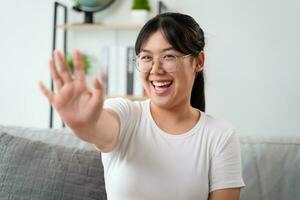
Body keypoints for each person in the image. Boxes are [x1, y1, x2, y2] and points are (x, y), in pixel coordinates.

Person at [39, 12, 245, 200]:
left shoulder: (220, 135)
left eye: (169, 56)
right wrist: (86, 123)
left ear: (198, 61)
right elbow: (100, 129)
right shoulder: (126, 114)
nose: (155, 69)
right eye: (146, 57)